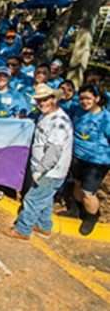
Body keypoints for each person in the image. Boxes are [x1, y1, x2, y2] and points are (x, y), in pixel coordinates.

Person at [4, 83, 73, 240]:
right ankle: (43, 226)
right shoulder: (46, 115)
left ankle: (23, 230)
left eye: (45, 99)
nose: (42, 103)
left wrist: (40, 170)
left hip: (50, 171)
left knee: (32, 199)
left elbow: (54, 151)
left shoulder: (59, 122)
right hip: (45, 169)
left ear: (53, 99)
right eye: (39, 100)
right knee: (45, 199)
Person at [59, 85, 108, 235]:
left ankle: (91, 217)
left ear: (97, 99)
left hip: (97, 162)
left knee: (88, 192)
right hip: (77, 157)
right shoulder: (78, 111)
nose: (84, 101)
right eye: (81, 98)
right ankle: (75, 210)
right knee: (77, 184)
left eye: (88, 98)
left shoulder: (106, 119)